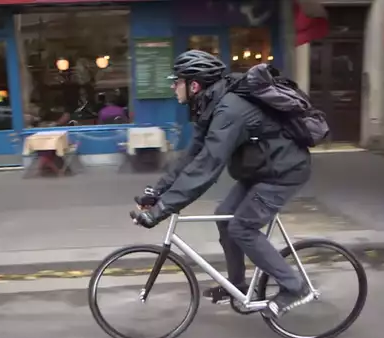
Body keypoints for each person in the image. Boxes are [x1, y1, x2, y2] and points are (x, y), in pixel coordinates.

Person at [131, 50, 313, 318]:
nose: (172, 86)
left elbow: (207, 167)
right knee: (224, 216)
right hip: (261, 170)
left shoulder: (229, 110)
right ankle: (236, 285)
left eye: (176, 81)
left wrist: (161, 210)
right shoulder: (210, 106)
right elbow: (193, 154)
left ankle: (294, 286)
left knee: (242, 227)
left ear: (194, 85)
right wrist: (156, 191)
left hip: (283, 172)